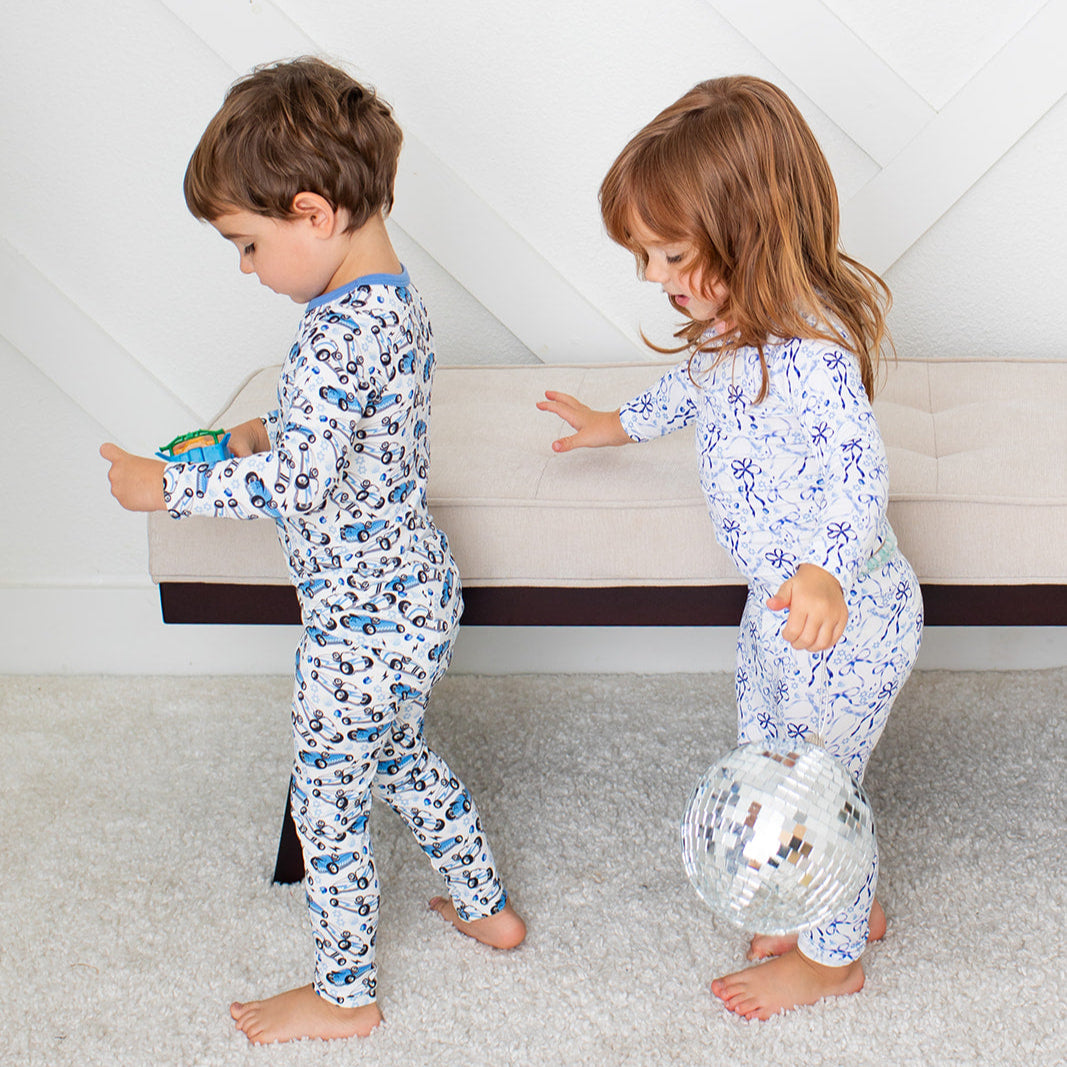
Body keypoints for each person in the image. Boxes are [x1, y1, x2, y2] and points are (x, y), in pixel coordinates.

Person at [100, 56, 524, 1045]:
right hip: (418, 591)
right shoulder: (391, 301)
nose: (246, 268)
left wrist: (167, 486)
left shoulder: (334, 335)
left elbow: (302, 482)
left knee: (328, 804)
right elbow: (343, 438)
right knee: (402, 756)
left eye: (247, 245)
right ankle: (485, 904)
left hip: (358, 625)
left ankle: (344, 991)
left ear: (311, 213)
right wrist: (263, 429)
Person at [538, 75, 922, 1021]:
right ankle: (834, 897)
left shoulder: (814, 353)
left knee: (814, 783)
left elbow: (855, 476)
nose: (655, 277)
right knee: (767, 755)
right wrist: (611, 424)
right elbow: (686, 395)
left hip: (845, 612)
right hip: (778, 607)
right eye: (645, 256)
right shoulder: (726, 332)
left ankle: (833, 957)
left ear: (749, 231)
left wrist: (827, 570)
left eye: (670, 253)